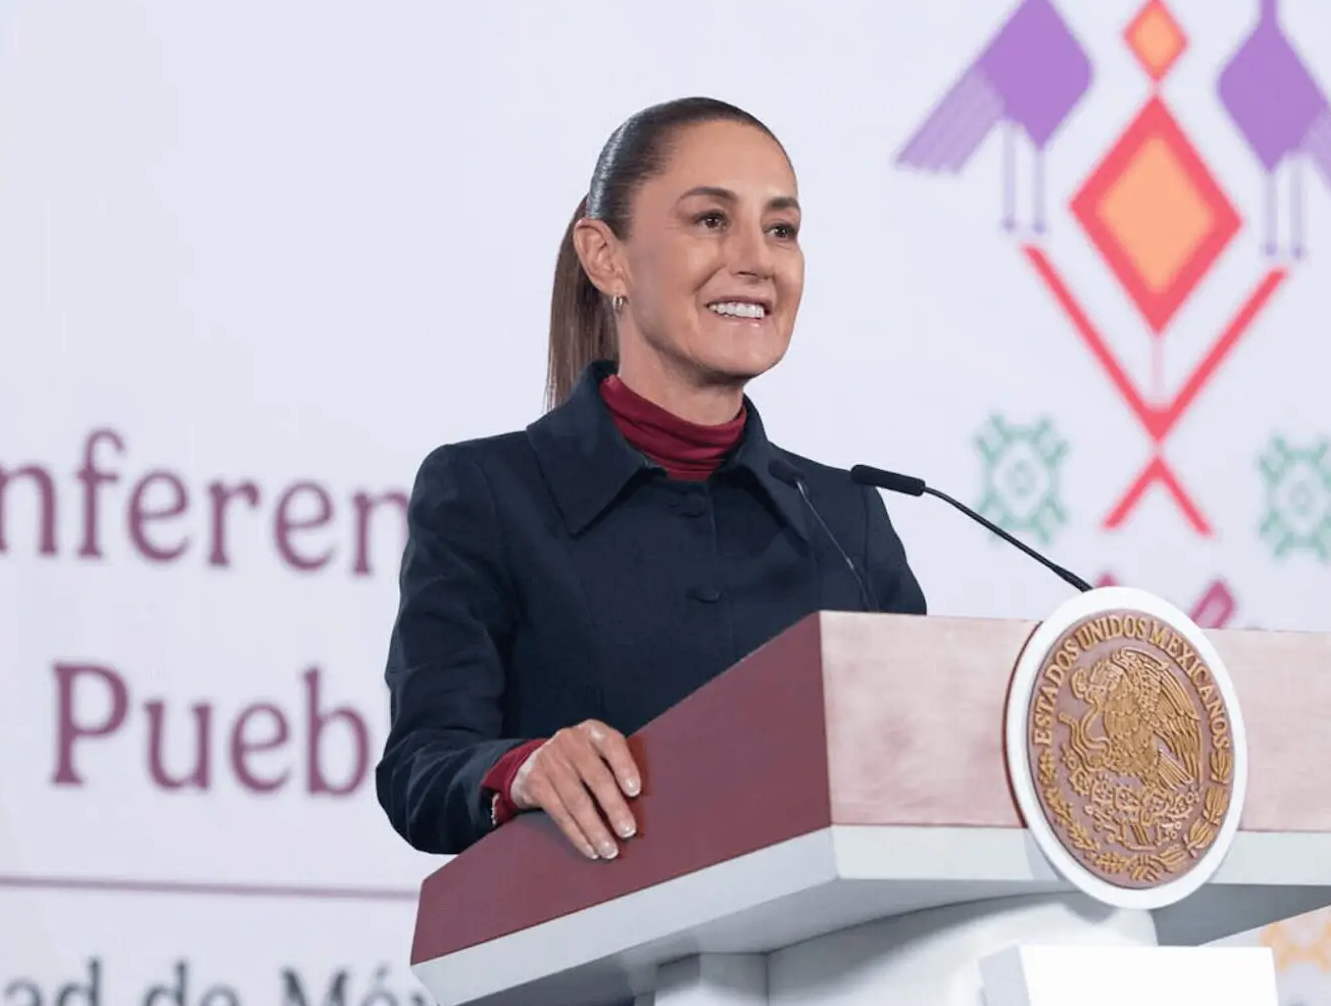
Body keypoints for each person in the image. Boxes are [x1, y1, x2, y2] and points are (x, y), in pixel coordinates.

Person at [374, 96, 927, 861]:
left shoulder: (848, 516)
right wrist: (523, 769)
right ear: (607, 257)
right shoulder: (487, 491)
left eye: (781, 229)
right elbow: (421, 767)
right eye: (710, 220)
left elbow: (926, 772)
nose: (758, 260)